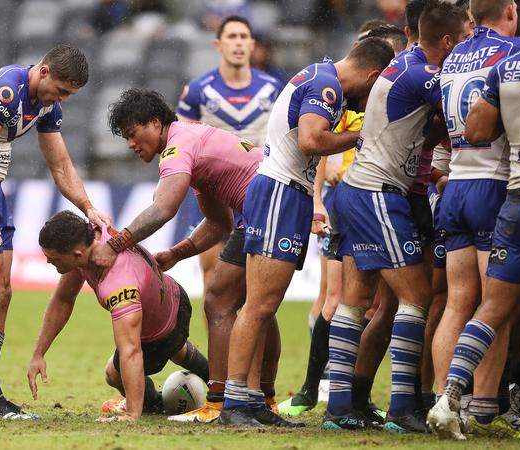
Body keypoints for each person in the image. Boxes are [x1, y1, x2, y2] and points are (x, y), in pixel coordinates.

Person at [218, 37, 395, 427]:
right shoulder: (326, 86)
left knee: (264, 306)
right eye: (375, 87)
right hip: (281, 190)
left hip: (286, 191)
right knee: (258, 304)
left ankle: (249, 401)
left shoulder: (320, 76)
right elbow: (311, 140)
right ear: (371, 74)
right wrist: (365, 136)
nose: (369, 99)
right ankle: (233, 403)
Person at [100, 88, 300, 427]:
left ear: (154, 123)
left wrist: (117, 242)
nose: (131, 144)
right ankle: (263, 398)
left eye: (133, 134)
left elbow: (164, 207)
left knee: (219, 299)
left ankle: (220, 401)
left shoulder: (177, 146)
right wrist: (176, 254)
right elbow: (220, 222)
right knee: (256, 302)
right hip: (274, 203)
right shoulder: (193, 142)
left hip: (266, 206)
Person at [0, 45, 110, 420]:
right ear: (44, 72)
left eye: (68, 96)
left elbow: (61, 165)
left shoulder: (46, 105)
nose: (61, 100)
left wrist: (88, 207)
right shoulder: (6, 91)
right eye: (61, 91)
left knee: (3, 293)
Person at [321, 1, 470, 433]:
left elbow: (430, 125)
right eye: (461, 40)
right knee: (417, 296)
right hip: (378, 195)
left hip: (358, 189)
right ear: (446, 41)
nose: (465, 47)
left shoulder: (405, 64)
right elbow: (464, 110)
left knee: (355, 299)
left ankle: (340, 408)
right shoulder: (426, 75)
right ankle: (404, 409)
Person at [431, 0, 520, 432]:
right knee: (505, 308)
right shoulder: (511, 52)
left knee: (462, 304)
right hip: (497, 184)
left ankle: (444, 398)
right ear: (511, 11)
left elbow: (468, 128)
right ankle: (484, 408)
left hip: (457, 182)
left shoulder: (456, 54)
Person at [27, 211, 208, 422]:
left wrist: (132, 414)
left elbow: (131, 351)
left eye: (53, 258)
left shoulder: (119, 285)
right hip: (173, 295)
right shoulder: (94, 234)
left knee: (114, 373)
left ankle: (151, 403)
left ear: (77, 254)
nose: (48, 261)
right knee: (176, 348)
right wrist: (39, 353)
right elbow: (63, 300)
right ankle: (221, 385)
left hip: (162, 329)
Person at [177, 16, 283, 299]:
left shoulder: (274, 89)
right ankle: (218, 345)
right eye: (231, 37)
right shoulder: (198, 91)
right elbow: (179, 144)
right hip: (212, 195)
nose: (238, 43)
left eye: (243, 37)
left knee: (254, 290)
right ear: (218, 44)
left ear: (252, 45)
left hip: (257, 193)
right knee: (212, 284)